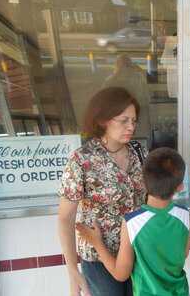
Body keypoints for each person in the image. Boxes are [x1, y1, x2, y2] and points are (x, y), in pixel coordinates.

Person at [58, 87, 147, 296]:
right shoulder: (82, 159)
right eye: (123, 120)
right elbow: (65, 218)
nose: (131, 127)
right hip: (99, 260)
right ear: (102, 120)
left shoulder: (139, 153)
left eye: (133, 121)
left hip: (138, 255)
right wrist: (73, 272)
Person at [76, 147, 190, 296]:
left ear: (142, 181)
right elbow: (184, 253)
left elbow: (120, 274)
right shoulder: (184, 215)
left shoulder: (133, 223)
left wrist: (96, 242)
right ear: (180, 187)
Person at [103, 54, 151, 146]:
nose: (124, 69)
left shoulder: (138, 78)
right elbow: (104, 103)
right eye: (122, 65)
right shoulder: (111, 80)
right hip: (124, 121)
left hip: (138, 118)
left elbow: (145, 99)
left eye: (125, 65)